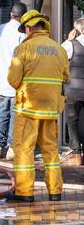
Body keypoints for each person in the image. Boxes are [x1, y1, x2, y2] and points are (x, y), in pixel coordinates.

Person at [6, 10, 69, 202]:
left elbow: (13, 80)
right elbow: (65, 77)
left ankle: (25, 193)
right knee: (50, 150)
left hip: (28, 110)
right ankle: (55, 192)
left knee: (25, 150)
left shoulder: (23, 49)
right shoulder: (59, 49)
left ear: (29, 27)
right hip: (50, 110)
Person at [0, 2, 27, 160]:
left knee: (1, 114)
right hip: (15, 81)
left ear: (11, 14)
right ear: (23, 16)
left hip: (0, 80)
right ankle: (11, 148)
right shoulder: (22, 34)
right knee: (15, 115)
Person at [61, 17, 84, 165]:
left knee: (72, 121)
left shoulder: (71, 44)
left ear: (77, 30)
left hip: (74, 90)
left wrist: (69, 39)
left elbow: (58, 56)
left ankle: (76, 154)